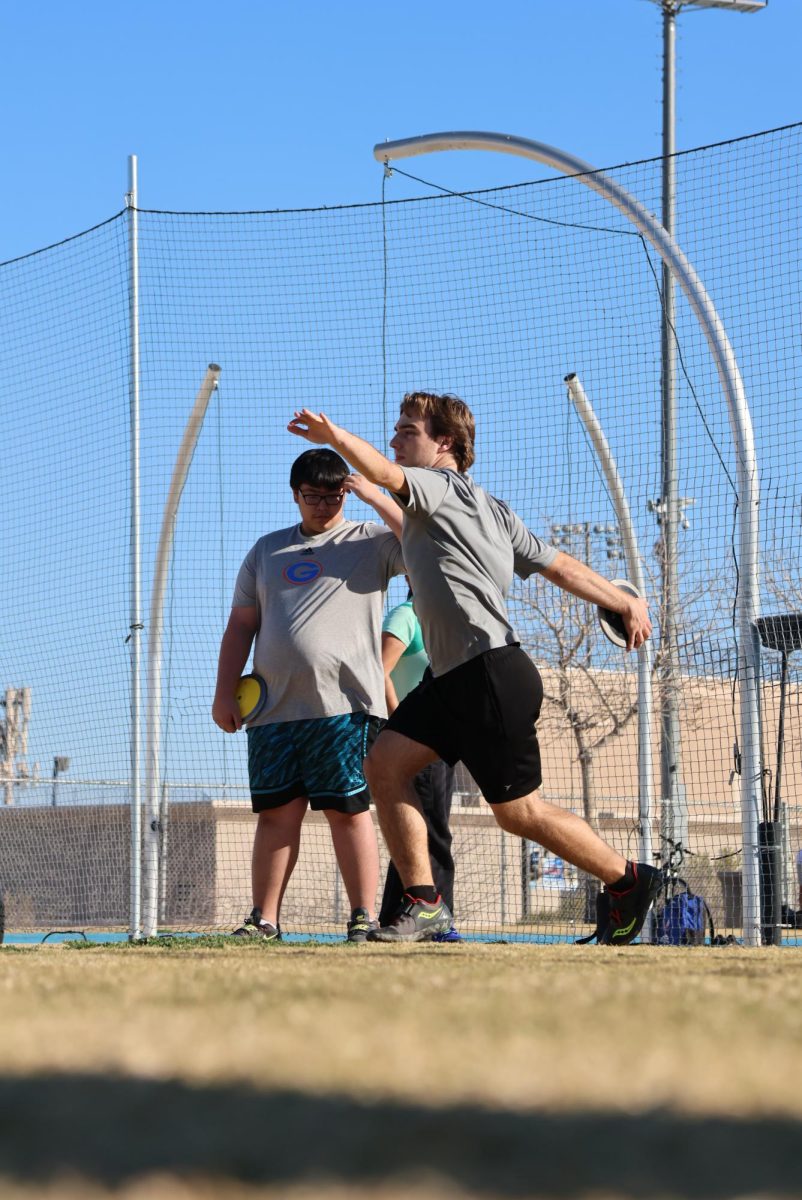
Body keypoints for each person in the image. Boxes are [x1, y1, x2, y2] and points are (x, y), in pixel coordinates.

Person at [288, 392, 660, 945]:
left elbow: (392, 474)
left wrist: (335, 437)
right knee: (385, 766)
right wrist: (623, 599)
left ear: (445, 444)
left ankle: (628, 880)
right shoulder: (489, 508)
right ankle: (425, 902)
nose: (394, 439)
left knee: (520, 814)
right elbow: (559, 567)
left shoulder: (434, 487)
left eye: (406, 429)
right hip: (458, 677)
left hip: (486, 675)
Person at [212, 448, 404, 942]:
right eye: (312, 495)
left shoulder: (372, 540)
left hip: (345, 709)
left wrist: (376, 496)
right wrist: (223, 693)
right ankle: (265, 920)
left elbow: (421, 542)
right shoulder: (266, 550)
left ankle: (364, 917)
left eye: (333, 494)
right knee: (276, 813)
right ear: (295, 494)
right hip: (273, 710)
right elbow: (241, 625)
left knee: (348, 810)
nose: (323, 504)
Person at [379, 586, 460, 942]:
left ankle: (397, 918)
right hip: (413, 745)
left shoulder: (443, 622)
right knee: (430, 835)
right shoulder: (405, 616)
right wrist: (402, 723)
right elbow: (378, 670)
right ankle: (439, 923)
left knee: (418, 833)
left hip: (440, 745)